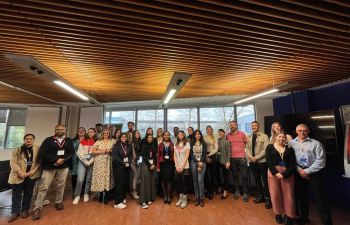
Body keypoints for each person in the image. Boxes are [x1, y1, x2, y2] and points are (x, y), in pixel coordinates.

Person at [289, 124, 332, 225]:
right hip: (299, 172)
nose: (302, 132)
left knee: (321, 199)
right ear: (296, 131)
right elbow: (290, 160)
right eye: (300, 130)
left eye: (305, 130)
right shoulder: (290, 143)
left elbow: (321, 161)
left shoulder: (316, 143)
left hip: (315, 173)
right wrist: (300, 170)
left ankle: (327, 222)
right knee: (302, 197)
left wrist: (307, 171)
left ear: (308, 131)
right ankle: (304, 218)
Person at [32, 125, 74, 220]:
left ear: (65, 130)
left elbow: (71, 152)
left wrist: (62, 160)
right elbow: (43, 152)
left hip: (63, 166)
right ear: (55, 130)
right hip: (49, 167)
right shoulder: (48, 140)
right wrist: (55, 159)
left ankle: (58, 201)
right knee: (44, 187)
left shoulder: (69, 140)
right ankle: (37, 208)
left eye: (61, 129)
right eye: (57, 129)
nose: (59, 131)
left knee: (61, 185)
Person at [8, 134, 40, 222]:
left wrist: (33, 171)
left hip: (31, 175)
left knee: (28, 194)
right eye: (26, 139)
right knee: (16, 195)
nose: (28, 140)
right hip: (18, 175)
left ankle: (25, 210)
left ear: (33, 140)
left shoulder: (38, 148)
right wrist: (20, 172)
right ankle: (15, 212)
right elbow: (13, 162)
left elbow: (39, 161)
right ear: (24, 140)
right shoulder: (17, 150)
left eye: (31, 139)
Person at [266, 132, 296, 225]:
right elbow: (269, 161)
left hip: (287, 173)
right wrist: (276, 173)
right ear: (275, 137)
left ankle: (289, 215)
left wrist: (285, 174)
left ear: (285, 139)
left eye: (283, 137)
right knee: (275, 194)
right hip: (273, 173)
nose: (281, 138)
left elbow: (292, 163)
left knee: (289, 195)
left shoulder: (290, 148)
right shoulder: (270, 147)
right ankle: (278, 214)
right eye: (279, 136)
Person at [245, 121, 272, 209]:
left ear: (258, 126)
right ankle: (260, 196)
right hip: (253, 162)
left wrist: (256, 157)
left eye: (255, 125)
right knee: (257, 180)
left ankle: (268, 199)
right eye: (252, 126)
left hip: (262, 162)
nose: (254, 127)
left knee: (265, 181)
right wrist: (251, 157)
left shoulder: (264, 136)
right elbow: (246, 149)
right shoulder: (248, 137)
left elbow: (266, 149)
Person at [226, 120, 249, 202]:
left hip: (242, 158)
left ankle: (245, 193)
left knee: (244, 176)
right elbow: (227, 147)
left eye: (234, 125)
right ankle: (237, 191)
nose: (232, 126)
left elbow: (247, 144)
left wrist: (245, 154)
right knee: (235, 176)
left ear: (236, 126)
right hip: (232, 158)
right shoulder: (227, 136)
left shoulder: (242, 134)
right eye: (231, 125)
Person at [73, 128, 97, 204]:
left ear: (95, 133)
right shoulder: (83, 140)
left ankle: (86, 193)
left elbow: (96, 153)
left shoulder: (97, 142)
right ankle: (77, 195)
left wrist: (90, 162)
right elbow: (79, 152)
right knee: (80, 179)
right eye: (89, 132)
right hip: (82, 161)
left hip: (91, 162)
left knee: (88, 179)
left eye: (91, 132)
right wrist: (85, 161)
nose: (90, 133)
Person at [90, 130, 115, 204]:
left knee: (107, 177)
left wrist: (110, 150)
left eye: (107, 133)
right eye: (104, 133)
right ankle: (101, 195)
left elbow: (115, 150)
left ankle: (106, 195)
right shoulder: (98, 141)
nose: (106, 134)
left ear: (109, 134)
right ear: (102, 134)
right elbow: (93, 151)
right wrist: (101, 151)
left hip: (108, 162)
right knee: (100, 178)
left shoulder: (112, 141)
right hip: (99, 162)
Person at [112, 133, 132, 209]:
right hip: (119, 167)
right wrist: (124, 163)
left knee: (125, 183)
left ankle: (122, 198)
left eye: (125, 137)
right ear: (120, 138)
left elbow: (131, 156)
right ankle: (117, 203)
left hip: (127, 167)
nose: (124, 138)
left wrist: (129, 162)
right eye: (122, 137)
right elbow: (115, 157)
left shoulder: (129, 146)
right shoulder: (116, 146)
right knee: (119, 184)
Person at [139, 134, 157, 209]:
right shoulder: (143, 145)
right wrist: (150, 164)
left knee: (151, 181)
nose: (150, 139)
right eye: (148, 137)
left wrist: (153, 164)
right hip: (145, 164)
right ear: (146, 138)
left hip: (152, 164)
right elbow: (143, 156)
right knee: (144, 181)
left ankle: (149, 198)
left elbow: (155, 156)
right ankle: (142, 201)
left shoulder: (153, 145)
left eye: (151, 137)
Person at [190, 129, 207, 207]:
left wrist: (201, 162)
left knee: (200, 180)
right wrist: (197, 162)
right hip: (194, 163)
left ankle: (201, 198)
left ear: (201, 135)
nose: (197, 135)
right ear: (194, 135)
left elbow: (204, 154)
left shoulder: (204, 143)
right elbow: (191, 154)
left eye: (199, 134)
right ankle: (197, 198)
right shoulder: (192, 143)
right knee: (195, 180)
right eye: (196, 134)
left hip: (202, 162)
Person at [157, 131, 175, 204]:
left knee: (169, 180)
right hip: (162, 164)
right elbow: (158, 156)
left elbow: (174, 155)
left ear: (169, 136)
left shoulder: (172, 144)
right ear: (163, 136)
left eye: (168, 135)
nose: (166, 136)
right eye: (165, 135)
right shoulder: (160, 145)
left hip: (170, 164)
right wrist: (158, 166)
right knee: (163, 180)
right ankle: (165, 195)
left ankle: (168, 195)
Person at [174, 130, 191, 209]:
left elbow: (187, 156)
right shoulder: (176, 144)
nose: (180, 135)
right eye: (179, 134)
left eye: (182, 134)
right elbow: (174, 156)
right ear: (177, 136)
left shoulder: (187, 144)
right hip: (177, 166)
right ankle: (180, 198)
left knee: (184, 182)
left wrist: (182, 167)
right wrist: (177, 166)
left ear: (184, 135)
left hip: (185, 166)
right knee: (178, 182)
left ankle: (185, 199)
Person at [203, 125, 218, 199]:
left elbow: (216, 149)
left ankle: (211, 191)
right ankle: (206, 190)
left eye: (209, 129)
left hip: (212, 155)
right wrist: (205, 156)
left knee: (212, 175)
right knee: (205, 174)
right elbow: (202, 147)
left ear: (212, 130)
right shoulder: (204, 137)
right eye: (207, 129)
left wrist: (209, 155)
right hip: (205, 156)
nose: (208, 130)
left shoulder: (215, 137)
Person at [70, 127, 86, 199]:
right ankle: (75, 192)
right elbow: (72, 149)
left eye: (83, 131)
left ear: (85, 132)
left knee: (83, 176)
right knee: (75, 176)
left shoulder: (88, 140)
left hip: (84, 159)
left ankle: (83, 191)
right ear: (77, 132)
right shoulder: (73, 140)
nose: (81, 132)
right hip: (75, 160)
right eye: (80, 131)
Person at [216, 129, 231, 199]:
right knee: (217, 175)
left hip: (224, 161)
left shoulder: (226, 142)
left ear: (224, 133)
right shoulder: (216, 141)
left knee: (225, 177)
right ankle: (220, 187)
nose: (220, 133)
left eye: (221, 132)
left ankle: (225, 191)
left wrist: (228, 162)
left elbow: (228, 153)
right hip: (216, 160)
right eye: (219, 132)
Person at [130, 130, 142, 199]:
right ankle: (133, 191)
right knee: (136, 175)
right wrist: (133, 160)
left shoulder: (141, 142)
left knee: (138, 175)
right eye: (136, 133)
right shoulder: (132, 143)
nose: (137, 134)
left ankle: (137, 190)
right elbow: (133, 153)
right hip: (133, 161)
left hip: (139, 160)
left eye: (138, 133)